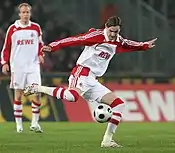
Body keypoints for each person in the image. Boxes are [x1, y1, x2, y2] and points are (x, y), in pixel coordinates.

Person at [24, 16, 157, 147]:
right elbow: (74, 40)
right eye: (111, 31)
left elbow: (128, 44)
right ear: (106, 27)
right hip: (82, 72)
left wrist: (144, 45)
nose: (113, 34)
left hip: (93, 79)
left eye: (116, 31)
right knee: (72, 97)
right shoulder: (96, 36)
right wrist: (53, 46)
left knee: (119, 104)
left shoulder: (118, 40)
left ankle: (107, 140)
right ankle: (37, 88)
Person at [1, 3, 44, 133]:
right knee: (18, 95)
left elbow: (40, 44)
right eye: (23, 12)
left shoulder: (36, 28)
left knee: (37, 93)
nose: (25, 14)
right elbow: (6, 48)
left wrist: (41, 54)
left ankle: (35, 123)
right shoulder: (12, 29)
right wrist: (4, 63)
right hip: (17, 67)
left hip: (33, 66)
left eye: (27, 12)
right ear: (19, 14)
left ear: (30, 14)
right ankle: (19, 126)